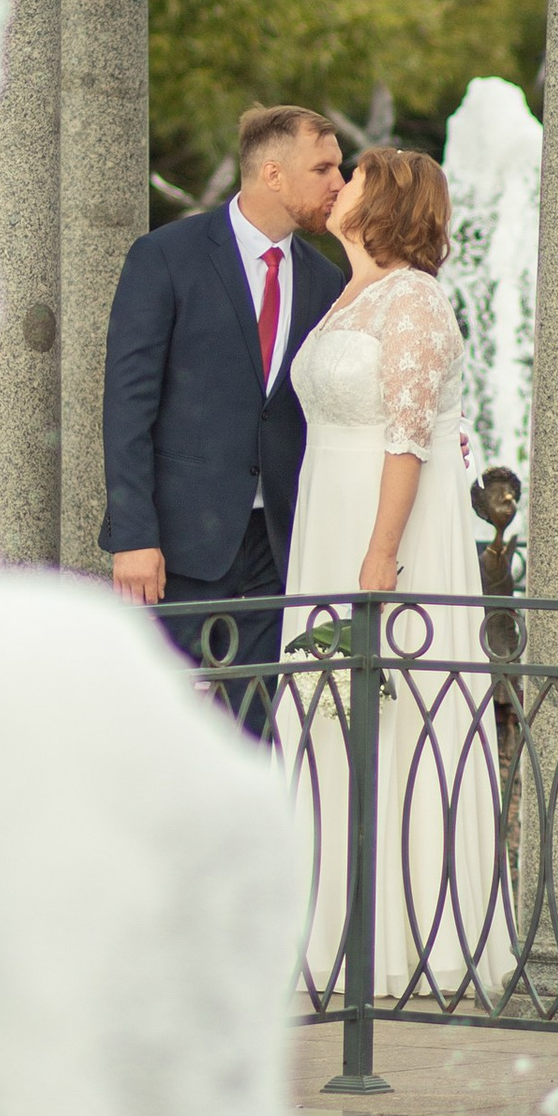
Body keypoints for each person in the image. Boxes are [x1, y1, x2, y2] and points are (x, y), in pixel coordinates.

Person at [289, 146, 511, 1004]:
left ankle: (415, 938)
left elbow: (409, 437)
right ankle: (332, 933)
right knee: (331, 712)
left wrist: (381, 551)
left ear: (390, 202)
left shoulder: (414, 301)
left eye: (357, 177)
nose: (339, 185)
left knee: (399, 712)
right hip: (326, 507)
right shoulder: (350, 296)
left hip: (388, 523)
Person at [101, 104, 347, 706]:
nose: (339, 183)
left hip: (281, 543)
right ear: (272, 174)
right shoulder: (164, 257)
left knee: (260, 725)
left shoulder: (326, 280)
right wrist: (135, 535)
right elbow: (127, 404)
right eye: (323, 169)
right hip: (178, 545)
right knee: (164, 723)